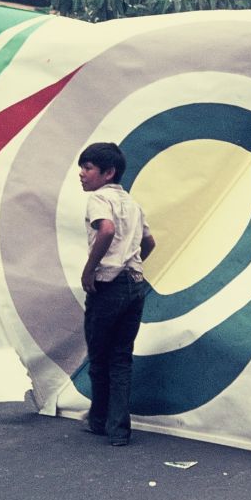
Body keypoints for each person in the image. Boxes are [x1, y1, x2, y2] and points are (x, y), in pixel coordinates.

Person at [78, 142, 156, 446]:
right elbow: (149, 243)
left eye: (88, 168)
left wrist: (90, 269)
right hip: (135, 285)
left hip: (108, 286)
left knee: (99, 357)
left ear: (108, 173)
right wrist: (130, 265)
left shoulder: (99, 198)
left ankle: (98, 420)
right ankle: (119, 429)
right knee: (121, 357)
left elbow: (106, 230)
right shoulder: (133, 205)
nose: (82, 174)